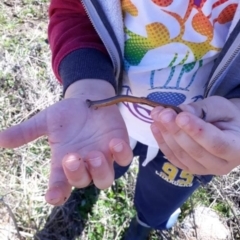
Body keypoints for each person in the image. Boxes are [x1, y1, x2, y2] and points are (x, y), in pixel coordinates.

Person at [1, 0, 240, 239]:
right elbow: (75, 13)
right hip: (110, 127)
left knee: (160, 200)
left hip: (195, 142)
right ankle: (110, 184)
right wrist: (87, 81)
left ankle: (147, 221)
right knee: (111, 164)